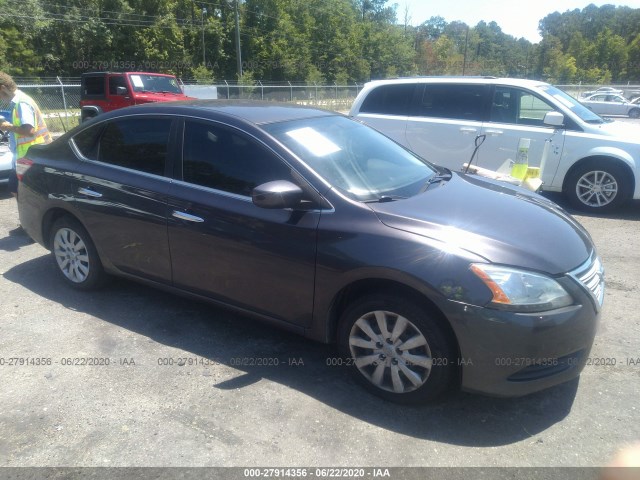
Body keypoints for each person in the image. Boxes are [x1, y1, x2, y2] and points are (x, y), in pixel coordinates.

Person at [0, 72, 52, 197]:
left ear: (2, 88)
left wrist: (7, 126)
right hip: (27, 156)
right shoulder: (19, 101)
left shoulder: (22, 103)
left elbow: (29, 131)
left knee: (21, 192)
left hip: (30, 156)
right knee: (17, 189)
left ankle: (28, 216)